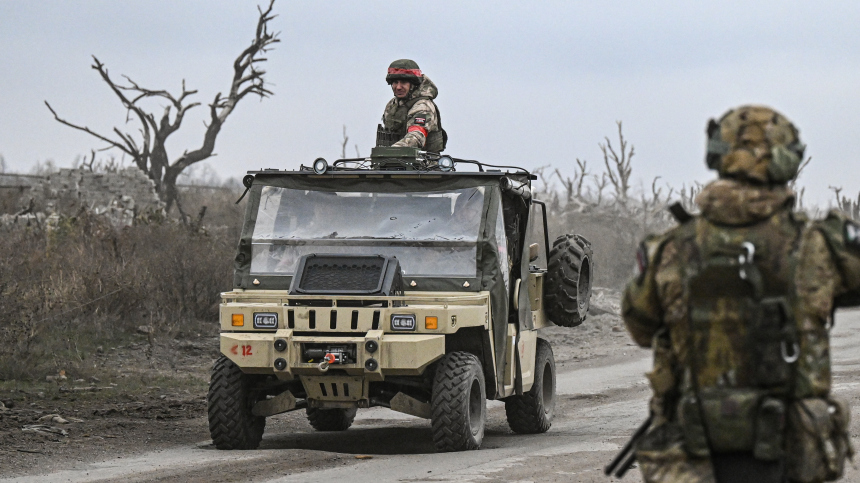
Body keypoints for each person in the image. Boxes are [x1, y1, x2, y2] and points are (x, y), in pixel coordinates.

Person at [621, 105, 857, 483]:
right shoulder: (819, 245)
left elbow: (641, 329)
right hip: (790, 453)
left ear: (717, 156)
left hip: (694, 453)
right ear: (788, 160)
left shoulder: (671, 249)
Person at [377, 59, 447, 152]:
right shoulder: (392, 105)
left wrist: (391, 151)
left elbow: (416, 137)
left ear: (413, 84)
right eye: (395, 82)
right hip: (392, 162)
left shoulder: (423, 106)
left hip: (422, 165)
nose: (398, 87)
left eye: (403, 82)